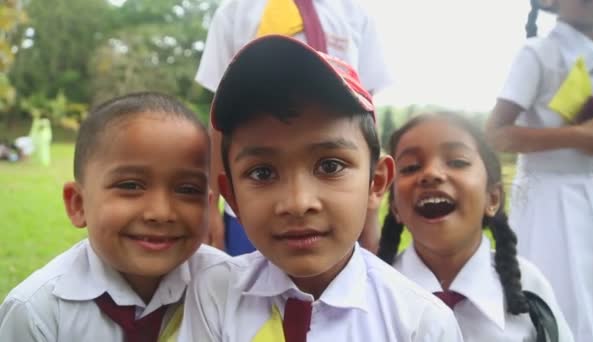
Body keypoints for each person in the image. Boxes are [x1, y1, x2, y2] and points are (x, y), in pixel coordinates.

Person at [178, 35, 463, 342]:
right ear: (232, 196)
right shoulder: (215, 294)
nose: (298, 203)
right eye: (262, 172)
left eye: (330, 166)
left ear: (376, 182)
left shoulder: (421, 325)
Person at [0, 92, 228, 341]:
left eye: (187, 190)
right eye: (130, 186)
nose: (161, 213)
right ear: (78, 205)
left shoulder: (228, 288)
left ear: (207, 206)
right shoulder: (37, 312)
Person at [196, 0, 391, 255]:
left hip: (337, 201)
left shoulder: (355, 14)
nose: (299, 203)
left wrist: (370, 213)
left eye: (330, 166)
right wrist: (211, 210)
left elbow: (367, 113)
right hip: (254, 205)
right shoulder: (234, 12)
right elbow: (219, 121)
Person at [379, 113, 574, 341]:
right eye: (410, 167)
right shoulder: (372, 294)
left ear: (492, 199)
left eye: (457, 162)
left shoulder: (530, 290)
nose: (430, 174)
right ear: (395, 208)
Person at [485, 1, 593, 340]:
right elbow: (497, 133)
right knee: (567, 304)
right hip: (555, 204)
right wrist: (579, 137)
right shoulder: (538, 53)